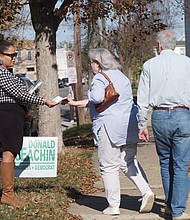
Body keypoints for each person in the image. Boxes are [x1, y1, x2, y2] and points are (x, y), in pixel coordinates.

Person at [62, 48, 154, 215]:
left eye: (91, 62)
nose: (90, 65)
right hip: (128, 125)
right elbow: (103, 100)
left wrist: (89, 91)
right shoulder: (121, 76)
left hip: (109, 126)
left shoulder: (99, 78)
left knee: (108, 166)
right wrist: (75, 103)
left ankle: (113, 205)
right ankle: (146, 191)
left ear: (98, 63)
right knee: (128, 162)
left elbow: (96, 99)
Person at [137, 29, 190, 220]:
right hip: (182, 114)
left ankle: (169, 205)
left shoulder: (149, 65)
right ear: (173, 45)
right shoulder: (187, 64)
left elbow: (142, 99)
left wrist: (142, 124)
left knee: (166, 162)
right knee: (181, 164)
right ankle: (177, 210)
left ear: (159, 46)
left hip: (159, 116)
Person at [0, 39, 58, 208]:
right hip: (7, 116)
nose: (14, 58)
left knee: (6, 153)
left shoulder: (6, 72)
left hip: (10, 115)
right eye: (10, 55)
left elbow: (19, 90)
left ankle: (7, 193)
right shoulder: (2, 73)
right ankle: (8, 194)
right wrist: (44, 101)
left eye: (15, 55)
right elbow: (20, 94)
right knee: (9, 152)